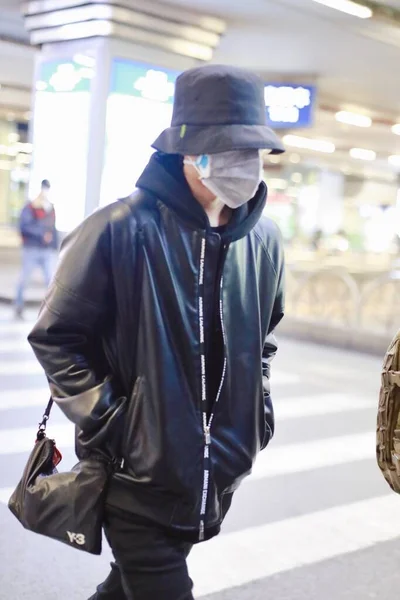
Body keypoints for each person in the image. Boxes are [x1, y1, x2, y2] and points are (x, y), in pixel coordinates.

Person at [28, 65, 285, 600]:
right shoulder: (118, 228)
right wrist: (118, 425)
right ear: (189, 153)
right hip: (134, 476)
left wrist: (255, 413)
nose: (247, 165)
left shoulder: (263, 241)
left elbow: (265, 336)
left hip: (216, 471)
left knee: (126, 588)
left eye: (254, 151)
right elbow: (57, 337)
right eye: (231, 149)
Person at [15, 179, 57, 317]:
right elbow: (24, 226)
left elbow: (52, 229)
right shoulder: (30, 207)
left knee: (51, 281)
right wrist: (41, 235)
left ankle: (50, 311)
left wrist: (54, 245)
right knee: (23, 279)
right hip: (32, 249)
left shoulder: (50, 208)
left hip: (46, 251)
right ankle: (19, 305)